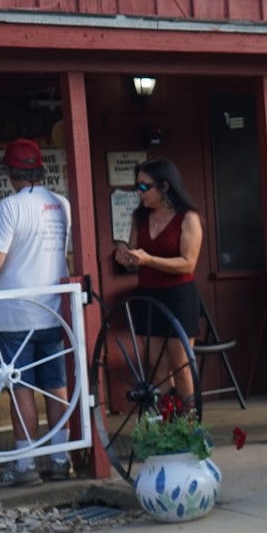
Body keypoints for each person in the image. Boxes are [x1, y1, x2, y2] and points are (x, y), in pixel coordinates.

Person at [0, 139, 75, 487]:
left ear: (9, 172)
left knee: (21, 390)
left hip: (15, 315)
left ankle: (25, 465)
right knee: (56, 388)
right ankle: (61, 460)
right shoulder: (61, 204)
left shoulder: (9, 207)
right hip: (54, 310)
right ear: (41, 169)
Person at [114, 158, 203, 403]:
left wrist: (148, 259)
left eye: (144, 186)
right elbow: (136, 255)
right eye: (136, 186)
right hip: (148, 293)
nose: (139, 192)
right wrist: (126, 257)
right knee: (156, 364)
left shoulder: (187, 218)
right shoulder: (140, 217)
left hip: (178, 295)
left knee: (181, 363)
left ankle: (191, 418)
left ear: (165, 186)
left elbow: (188, 263)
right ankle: (168, 417)